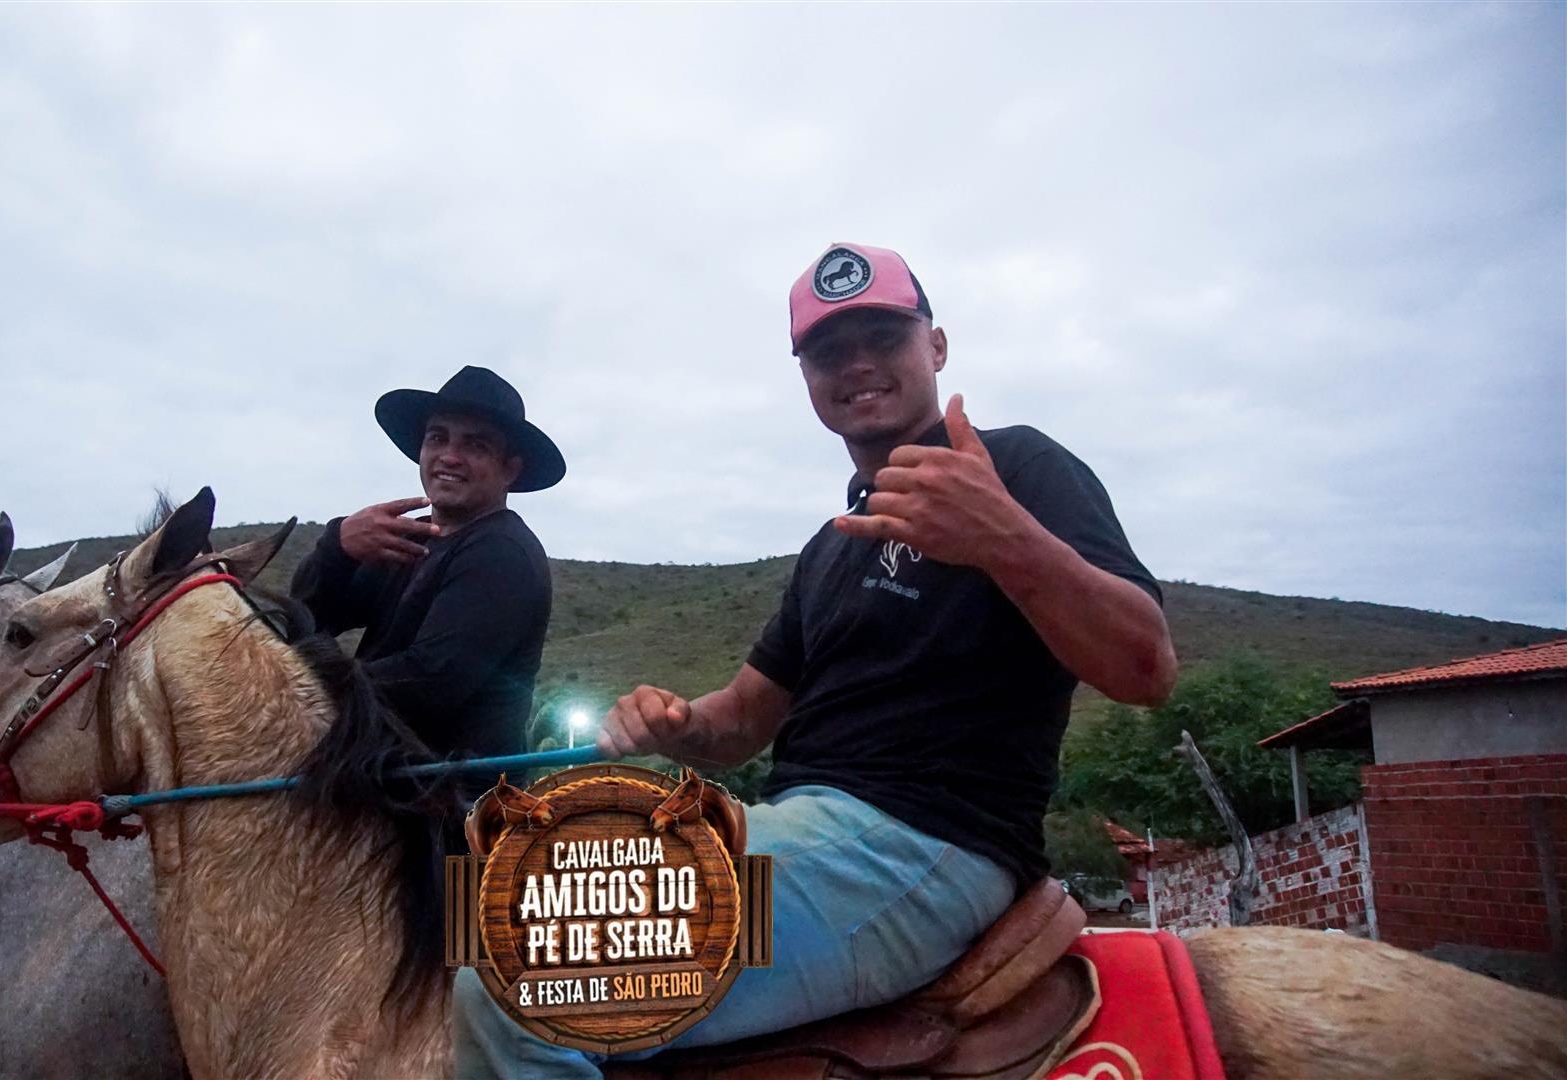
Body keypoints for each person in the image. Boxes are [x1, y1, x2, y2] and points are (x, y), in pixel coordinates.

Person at [453, 243, 1177, 1078]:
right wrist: (671, 722)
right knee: (486, 903)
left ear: (937, 347)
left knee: (516, 968)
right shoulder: (831, 549)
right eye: (830, 352)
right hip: (805, 829)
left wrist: (1003, 539)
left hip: (927, 845)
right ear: (807, 379)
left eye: (885, 338)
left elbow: (1146, 669)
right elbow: (739, 724)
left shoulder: (1017, 468)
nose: (858, 364)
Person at [291, 365, 563, 776]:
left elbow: (426, 683)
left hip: (452, 801)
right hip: (377, 780)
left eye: (476, 445)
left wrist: (290, 690)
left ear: (510, 469)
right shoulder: (410, 540)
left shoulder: (503, 553)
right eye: (437, 437)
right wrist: (338, 546)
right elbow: (308, 619)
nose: (449, 456)